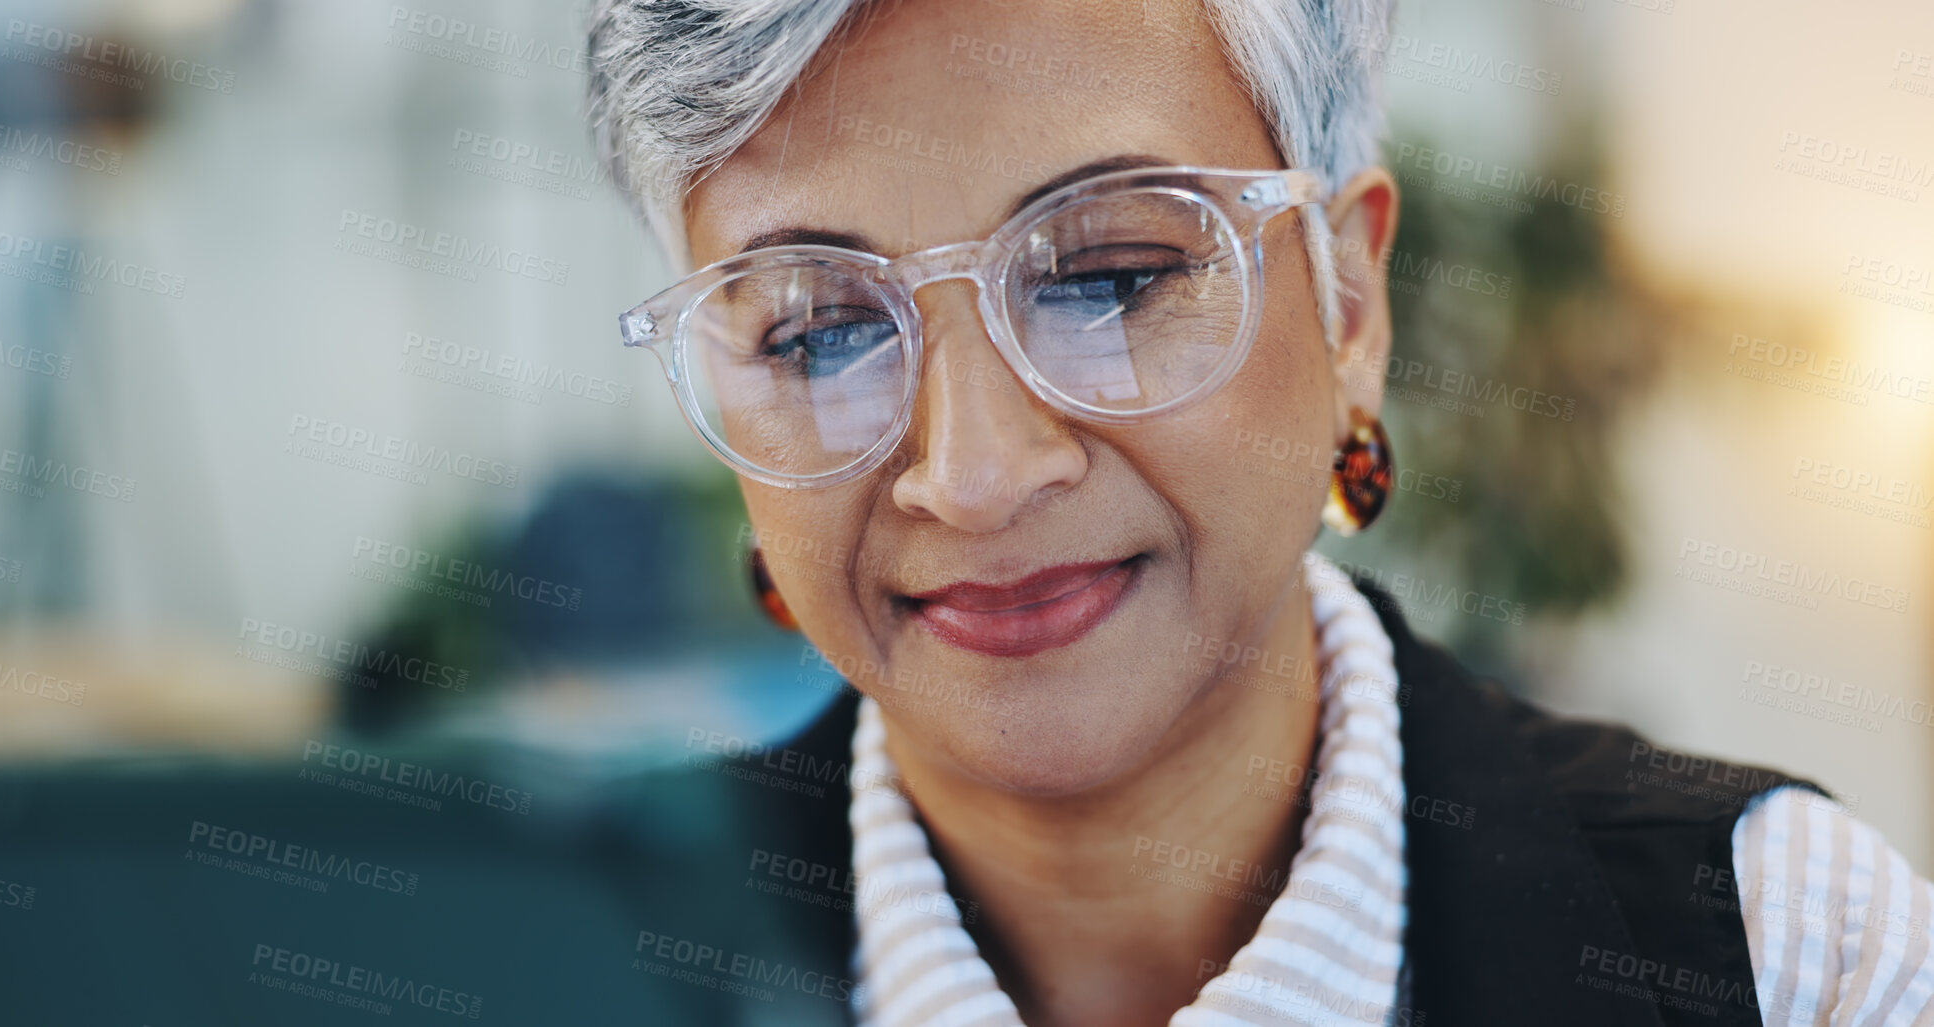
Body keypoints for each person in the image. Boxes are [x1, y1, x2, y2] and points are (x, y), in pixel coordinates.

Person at [582, 0, 1934, 1025]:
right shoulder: (554, 961)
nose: (976, 474)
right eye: (821, 334)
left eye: (1109, 280)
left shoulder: (1786, 951)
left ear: (1348, 303)